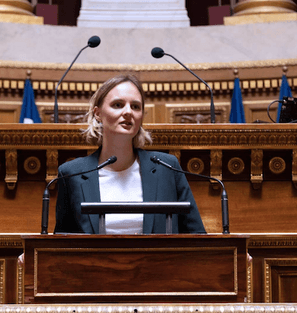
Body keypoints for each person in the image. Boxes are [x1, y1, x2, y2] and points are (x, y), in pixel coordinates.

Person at [54, 74, 206, 234]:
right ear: (98, 113)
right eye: (118, 104)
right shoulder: (72, 173)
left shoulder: (166, 168)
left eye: (135, 106)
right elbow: (62, 242)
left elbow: (196, 235)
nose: (128, 112)